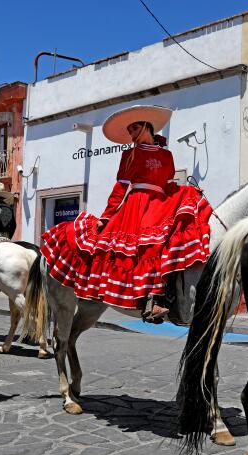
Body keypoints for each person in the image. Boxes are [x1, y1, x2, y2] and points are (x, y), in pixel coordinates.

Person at [41, 105, 212, 323]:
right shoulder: (130, 154)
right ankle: (151, 299)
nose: (131, 134)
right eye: (129, 130)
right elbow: (120, 187)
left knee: (169, 239)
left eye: (134, 128)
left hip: (161, 201)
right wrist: (106, 215)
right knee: (146, 246)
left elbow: (168, 182)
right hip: (137, 204)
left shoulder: (166, 155)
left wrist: (183, 194)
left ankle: (165, 297)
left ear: (146, 127)